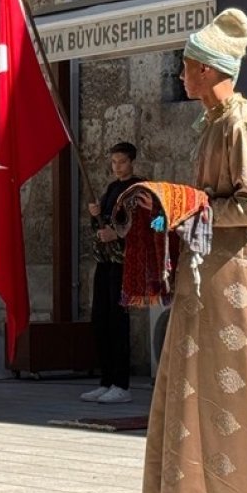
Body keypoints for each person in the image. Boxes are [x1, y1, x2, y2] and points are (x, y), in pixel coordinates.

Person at [141, 9, 247, 493]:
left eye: (186, 64)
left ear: (206, 69)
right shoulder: (213, 123)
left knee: (237, 399)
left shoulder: (243, 125)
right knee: (195, 394)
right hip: (207, 280)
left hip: (238, 284)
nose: (181, 73)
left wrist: (187, 208)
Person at [80, 142, 143, 405]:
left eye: (122, 162)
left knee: (118, 321)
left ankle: (121, 383)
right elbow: (104, 224)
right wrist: (96, 216)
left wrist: (117, 234)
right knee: (101, 319)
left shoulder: (138, 190)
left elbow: (146, 224)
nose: (117, 166)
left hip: (122, 263)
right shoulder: (110, 189)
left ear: (132, 162)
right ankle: (106, 381)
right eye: (114, 162)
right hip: (105, 261)